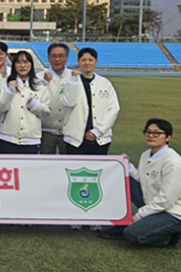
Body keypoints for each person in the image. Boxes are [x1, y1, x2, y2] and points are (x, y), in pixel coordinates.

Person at [100, 118, 181, 248]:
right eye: (148, 132)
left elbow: (166, 200)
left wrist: (139, 215)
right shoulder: (146, 154)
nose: (151, 136)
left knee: (132, 234)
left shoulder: (173, 163)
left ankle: (170, 237)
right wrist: (127, 165)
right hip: (153, 202)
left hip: (172, 212)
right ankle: (128, 221)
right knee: (125, 180)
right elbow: (142, 179)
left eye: (157, 133)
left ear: (168, 138)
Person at [60, 47, 120, 156]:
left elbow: (114, 109)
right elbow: (69, 102)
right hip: (75, 139)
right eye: (83, 60)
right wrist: (73, 82)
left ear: (96, 62)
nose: (87, 63)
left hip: (100, 139)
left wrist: (98, 131)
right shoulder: (69, 82)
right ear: (78, 62)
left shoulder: (105, 83)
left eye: (90, 60)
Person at [0, 51, 50, 154]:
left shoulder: (39, 85)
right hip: (8, 138)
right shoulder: (4, 83)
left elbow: (47, 112)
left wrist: (34, 105)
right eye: (18, 62)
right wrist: (10, 91)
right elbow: (0, 107)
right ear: (14, 65)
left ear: (31, 64)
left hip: (31, 139)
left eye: (25, 62)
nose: (22, 65)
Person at [39, 43, 72, 155]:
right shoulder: (38, 77)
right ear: (48, 58)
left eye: (61, 56)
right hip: (45, 131)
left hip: (68, 132)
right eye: (53, 56)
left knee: (69, 163)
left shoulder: (75, 78)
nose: (57, 59)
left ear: (67, 58)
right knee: (45, 163)